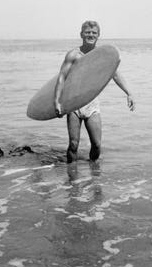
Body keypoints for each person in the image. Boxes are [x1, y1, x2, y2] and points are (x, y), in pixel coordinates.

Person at [54, 20, 134, 164]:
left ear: (98, 35)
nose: (90, 35)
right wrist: (57, 102)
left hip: (92, 103)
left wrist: (129, 93)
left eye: (94, 33)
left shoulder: (102, 56)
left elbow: (115, 75)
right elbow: (61, 78)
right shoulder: (73, 55)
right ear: (81, 34)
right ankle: (71, 172)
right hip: (73, 103)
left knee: (97, 145)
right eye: (87, 32)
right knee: (73, 144)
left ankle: (94, 170)